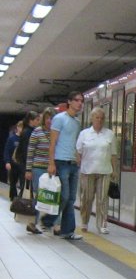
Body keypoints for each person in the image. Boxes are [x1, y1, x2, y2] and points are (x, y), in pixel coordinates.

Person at [48, 91, 85, 240]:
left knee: (70, 199)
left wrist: (77, 156)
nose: (79, 103)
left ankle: (67, 231)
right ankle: (47, 221)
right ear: (69, 101)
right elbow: (53, 142)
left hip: (72, 163)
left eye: (81, 101)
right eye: (76, 100)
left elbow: (74, 141)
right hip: (61, 162)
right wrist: (51, 163)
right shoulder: (59, 119)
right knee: (63, 196)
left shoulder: (77, 122)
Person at [76, 107, 117, 234]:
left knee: (102, 199)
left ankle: (102, 224)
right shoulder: (84, 134)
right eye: (96, 117)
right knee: (87, 198)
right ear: (91, 119)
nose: (99, 120)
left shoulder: (110, 134)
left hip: (105, 171)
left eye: (101, 118)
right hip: (87, 172)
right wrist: (79, 166)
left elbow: (113, 154)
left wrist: (114, 170)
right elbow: (78, 152)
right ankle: (84, 221)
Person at [25, 109, 54, 235]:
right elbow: (30, 151)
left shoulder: (55, 133)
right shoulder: (37, 132)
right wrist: (28, 170)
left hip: (51, 169)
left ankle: (48, 222)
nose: (49, 121)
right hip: (38, 169)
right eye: (47, 118)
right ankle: (32, 223)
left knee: (51, 196)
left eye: (51, 118)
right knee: (38, 196)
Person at [4, 119, 23, 194]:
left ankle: (20, 198)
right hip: (13, 163)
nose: (22, 129)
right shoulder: (11, 139)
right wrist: (7, 162)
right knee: (13, 182)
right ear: (17, 127)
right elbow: (7, 151)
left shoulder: (25, 139)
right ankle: (13, 197)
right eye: (21, 127)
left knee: (22, 182)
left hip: (22, 163)